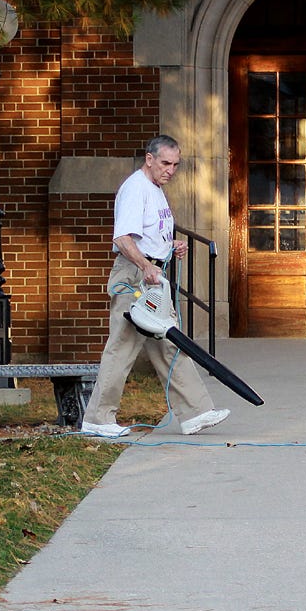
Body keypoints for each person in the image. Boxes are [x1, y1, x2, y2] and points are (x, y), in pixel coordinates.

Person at [80, 135, 230, 438]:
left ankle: (195, 413)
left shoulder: (155, 190)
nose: (170, 170)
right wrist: (147, 265)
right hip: (134, 279)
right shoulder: (136, 189)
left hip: (150, 275)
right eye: (165, 163)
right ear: (149, 159)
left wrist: (167, 246)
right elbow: (123, 239)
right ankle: (97, 418)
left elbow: (146, 234)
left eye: (175, 165)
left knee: (169, 346)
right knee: (121, 348)